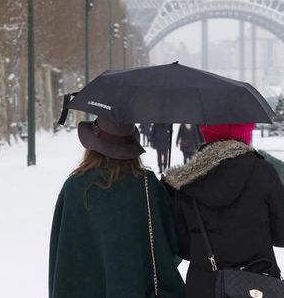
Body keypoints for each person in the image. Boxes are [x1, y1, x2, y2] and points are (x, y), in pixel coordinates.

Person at [49, 118, 184, 298]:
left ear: (93, 146)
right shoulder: (147, 185)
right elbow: (172, 250)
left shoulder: (74, 188)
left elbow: (61, 259)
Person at [163, 123, 284, 298]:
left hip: (204, 288)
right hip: (256, 287)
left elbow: (185, 250)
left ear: (205, 132)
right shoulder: (262, 172)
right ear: (245, 132)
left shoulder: (186, 182)